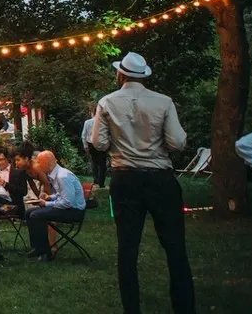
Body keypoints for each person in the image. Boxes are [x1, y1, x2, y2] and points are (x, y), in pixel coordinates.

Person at [93, 52, 194, 313]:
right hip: (160, 177)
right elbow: (178, 142)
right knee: (175, 246)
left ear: (120, 74)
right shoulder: (163, 102)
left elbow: (99, 143)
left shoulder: (106, 103)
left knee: (127, 247)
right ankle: (184, 307)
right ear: (144, 75)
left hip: (125, 178)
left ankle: (132, 308)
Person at [25, 151, 85, 262]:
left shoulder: (62, 176)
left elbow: (67, 202)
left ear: (45, 163)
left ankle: (44, 252)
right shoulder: (56, 174)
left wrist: (46, 203)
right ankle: (37, 247)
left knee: (36, 215)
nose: (37, 165)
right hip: (68, 207)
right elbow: (61, 195)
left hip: (73, 211)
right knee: (29, 213)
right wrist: (49, 197)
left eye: (38, 162)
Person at [83, 108, 108, 188]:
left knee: (94, 162)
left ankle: (96, 180)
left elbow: (84, 135)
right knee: (102, 164)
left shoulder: (87, 122)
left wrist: (85, 146)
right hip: (101, 143)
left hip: (91, 144)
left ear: (92, 113)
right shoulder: (103, 122)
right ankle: (101, 182)